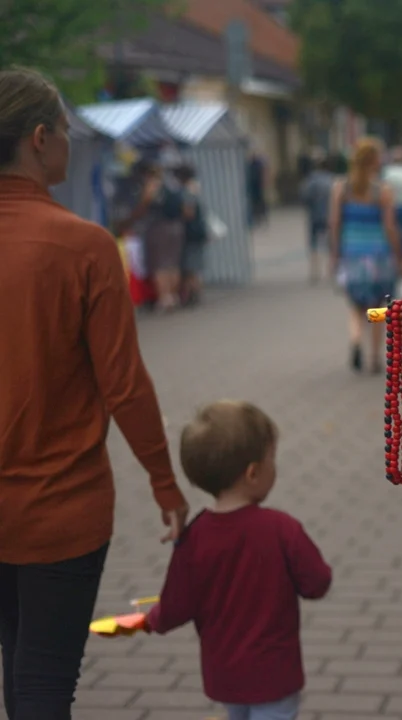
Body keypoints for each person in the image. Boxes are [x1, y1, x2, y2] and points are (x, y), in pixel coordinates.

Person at [0, 67, 188, 720]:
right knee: (46, 676)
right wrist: (165, 482)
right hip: (62, 507)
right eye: (68, 134)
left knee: (18, 663)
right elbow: (125, 385)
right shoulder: (83, 246)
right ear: (40, 138)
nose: (70, 147)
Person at [145, 401, 332, 720]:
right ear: (253, 472)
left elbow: (176, 603)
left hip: (224, 675)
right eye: (272, 458)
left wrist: (152, 620)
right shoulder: (281, 529)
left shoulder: (193, 537)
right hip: (274, 675)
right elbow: (317, 583)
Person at [329, 138, 402, 373]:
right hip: (379, 256)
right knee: (377, 307)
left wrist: (335, 253)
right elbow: (390, 227)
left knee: (355, 306)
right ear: (375, 161)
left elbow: (334, 222)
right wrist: (399, 255)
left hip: (352, 254)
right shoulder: (382, 190)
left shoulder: (341, 187)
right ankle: (374, 357)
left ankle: (355, 341)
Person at [115, 156, 187, 312]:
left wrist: (132, 217)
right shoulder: (171, 185)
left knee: (160, 264)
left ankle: (164, 298)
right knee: (172, 263)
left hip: (159, 228)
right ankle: (173, 297)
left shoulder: (151, 186)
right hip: (176, 227)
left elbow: (144, 205)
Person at [175, 164, 209, 306]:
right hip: (197, 232)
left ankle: (193, 295)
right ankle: (195, 293)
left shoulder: (187, 191)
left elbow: (189, 213)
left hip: (191, 233)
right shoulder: (195, 188)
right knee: (194, 265)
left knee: (190, 267)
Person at [299, 152, 335, 284]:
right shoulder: (332, 180)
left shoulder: (310, 180)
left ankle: (315, 271)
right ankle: (330, 270)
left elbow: (304, 197)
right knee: (330, 244)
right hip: (329, 215)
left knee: (313, 243)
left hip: (314, 215)